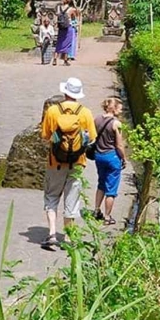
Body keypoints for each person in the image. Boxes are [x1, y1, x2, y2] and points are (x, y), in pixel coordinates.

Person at [40, 77, 96, 251]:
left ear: (65, 92)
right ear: (78, 95)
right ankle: (69, 239)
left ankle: (52, 234)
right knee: (72, 200)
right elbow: (92, 138)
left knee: (51, 197)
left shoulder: (53, 111)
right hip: (77, 163)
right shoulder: (85, 113)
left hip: (55, 163)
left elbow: (45, 136)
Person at [91, 98, 128, 224]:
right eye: (120, 108)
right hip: (112, 157)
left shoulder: (96, 119)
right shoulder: (116, 124)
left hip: (99, 156)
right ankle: (107, 217)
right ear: (114, 108)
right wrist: (123, 158)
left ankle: (96, 210)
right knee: (111, 188)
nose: (121, 111)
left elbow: (93, 136)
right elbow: (119, 145)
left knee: (101, 183)